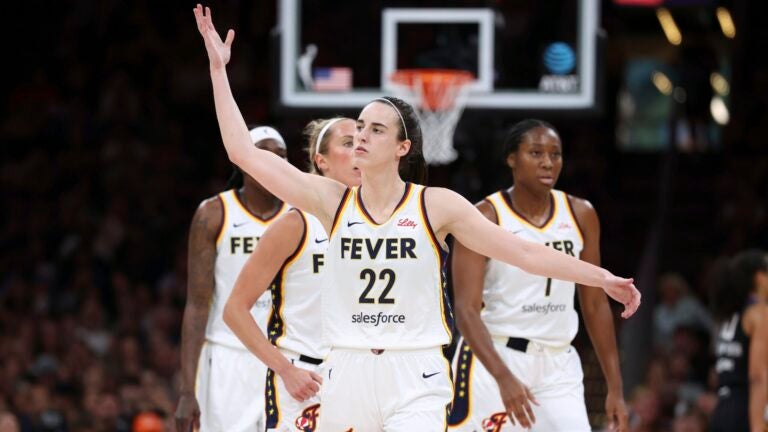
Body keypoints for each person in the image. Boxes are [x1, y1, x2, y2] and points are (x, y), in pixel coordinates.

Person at [193, 5, 640, 429]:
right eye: (360, 127)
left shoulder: (435, 205)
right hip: (346, 367)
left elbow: (523, 251)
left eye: (375, 129)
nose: (362, 136)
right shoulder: (331, 201)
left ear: (402, 148)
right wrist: (218, 71)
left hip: (416, 371)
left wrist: (601, 277)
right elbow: (241, 151)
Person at [447, 119, 628, 431]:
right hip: (497, 355)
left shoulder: (580, 213)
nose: (548, 162)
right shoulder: (485, 216)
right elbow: (465, 309)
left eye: (555, 154)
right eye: (535, 152)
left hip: (559, 363)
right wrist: (503, 376)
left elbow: (595, 304)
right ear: (511, 159)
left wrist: (616, 387)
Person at [223, 117, 361, 431]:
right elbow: (234, 310)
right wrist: (285, 370)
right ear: (321, 160)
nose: (358, 151)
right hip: (304, 379)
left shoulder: (383, 223)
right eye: (348, 143)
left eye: (362, 143)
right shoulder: (296, 223)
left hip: (361, 378)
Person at [175, 124, 290, 432]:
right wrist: (187, 390)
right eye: (264, 154)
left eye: (282, 156)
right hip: (227, 355)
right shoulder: (214, 213)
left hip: (288, 355)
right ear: (243, 161)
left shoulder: (304, 214)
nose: (275, 163)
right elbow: (197, 305)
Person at [710, 249, 768, 432]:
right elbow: (757, 376)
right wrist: (758, 424)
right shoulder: (759, 313)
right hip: (747, 410)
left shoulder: (730, 314)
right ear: (759, 277)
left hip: (723, 408)